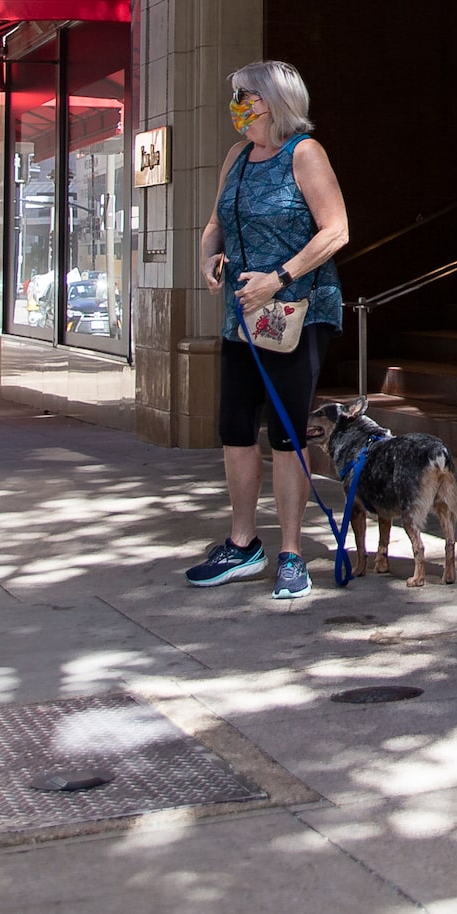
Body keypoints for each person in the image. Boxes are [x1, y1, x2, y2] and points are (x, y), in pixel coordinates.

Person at [187, 60, 349, 600]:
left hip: (296, 314)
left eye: (244, 94)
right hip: (242, 318)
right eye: (235, 93)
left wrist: (279, 277)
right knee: (235, 426)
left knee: (285, 434)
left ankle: (291, 554)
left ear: (273, 100)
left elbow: (336, 230)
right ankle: (242, 542)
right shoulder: (236, 156)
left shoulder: (304, 154)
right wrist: (211, 258)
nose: (236, 102)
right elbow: (215, 224)